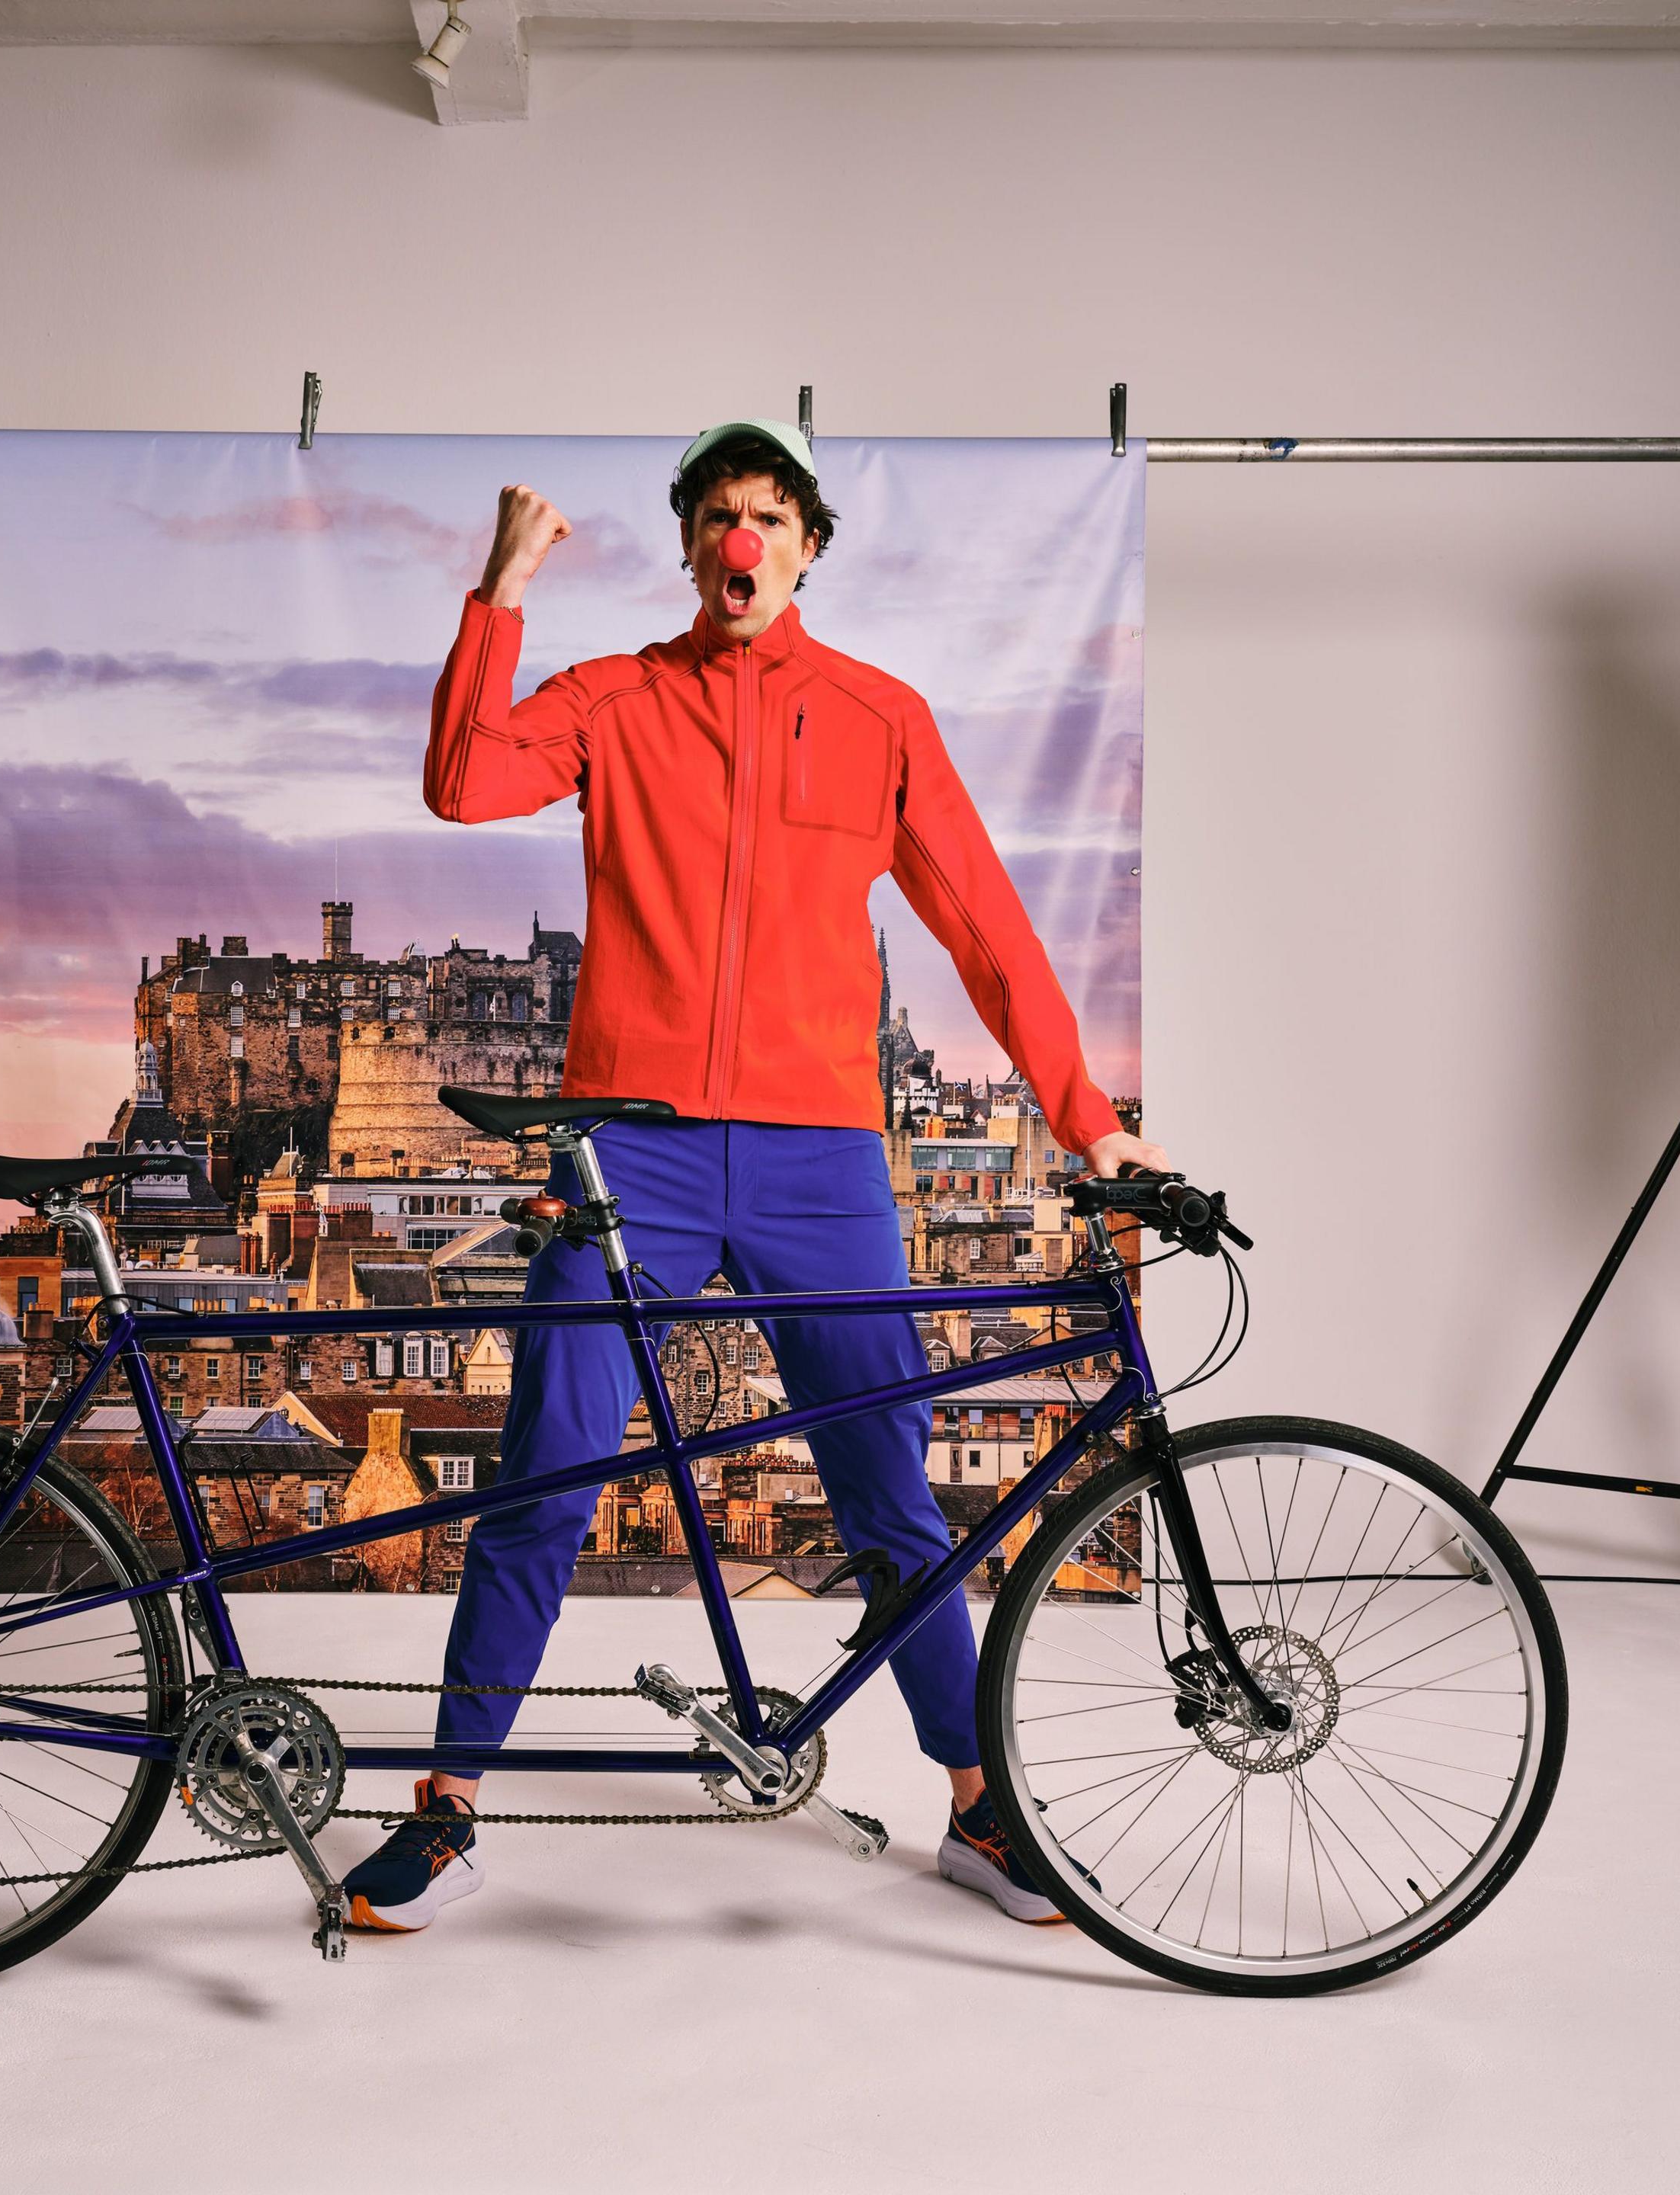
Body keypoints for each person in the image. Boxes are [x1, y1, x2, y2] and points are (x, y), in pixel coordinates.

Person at [339, 420, 1167, 1936]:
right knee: (544, 1475)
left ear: (808, 547)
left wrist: (1088, 1122)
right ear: (688, 544)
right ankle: (448, 1808)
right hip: (629, 1155)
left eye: (769, 519)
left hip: (819, 1163)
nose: (742, 541)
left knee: (894, 1501)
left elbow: (988, 929)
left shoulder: (880, 718)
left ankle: (979, 1811)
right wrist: (501, 589)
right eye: (718, 516)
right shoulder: (616, 700)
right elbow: (462, 783)